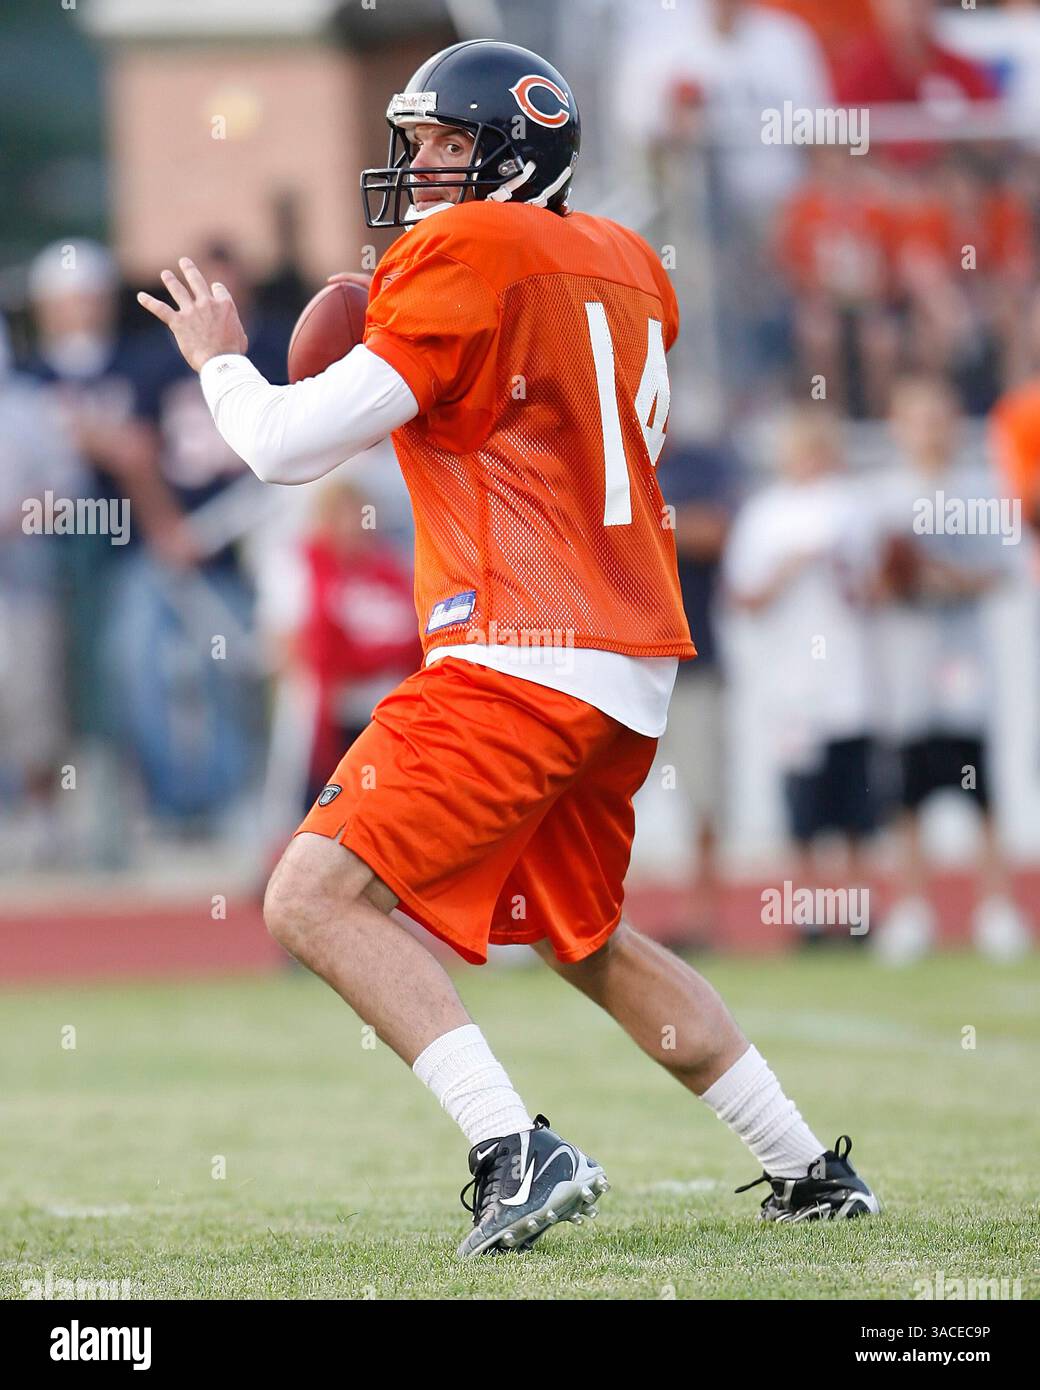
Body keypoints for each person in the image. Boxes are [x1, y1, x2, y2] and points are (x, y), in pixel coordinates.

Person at [138, 39, 878, 1256]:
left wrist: (220, 357)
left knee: (310, 894)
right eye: (417, 143)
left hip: (518, 644)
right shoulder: (631, 263)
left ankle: (509, 1146)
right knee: (586, 940)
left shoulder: (468, 251)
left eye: (444, 143)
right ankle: (804, 1166)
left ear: (513, 150)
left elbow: (281, 446)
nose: (420, 167)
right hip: (626, 661)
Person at [872, 375, 1030, 964]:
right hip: (907, 667)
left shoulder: (978, 491)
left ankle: (995, 906)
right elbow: (870, 584)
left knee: (979, 791)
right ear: (899, 426)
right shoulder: (883, 495)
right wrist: (898, 579)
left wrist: (942, 576)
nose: (930, 431)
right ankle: (912, 908)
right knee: (908, 795)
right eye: (918, 419)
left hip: (963, 668)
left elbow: (1004, 570)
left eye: (938, 418)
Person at [724, 406, 880, 942]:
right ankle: (809, 915)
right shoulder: (765, 514)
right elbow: (744, 596)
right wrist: (789, 568)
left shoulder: (851, 509)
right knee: (803, 810)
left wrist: (840, 568)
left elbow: (872, 591)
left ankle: (856, 914)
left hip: (847, 682)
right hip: (792, 686)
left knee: (855, 804)